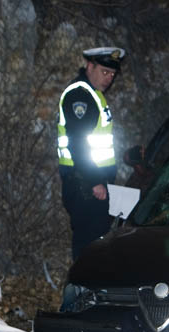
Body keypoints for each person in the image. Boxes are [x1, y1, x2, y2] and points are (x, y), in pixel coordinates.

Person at [57, 46, 126, 261]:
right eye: (104, 72)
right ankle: (81, 293)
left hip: (91, 185)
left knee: (97, 248)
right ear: (89, 66)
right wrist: (95, 180)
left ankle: (90, 293)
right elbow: (78, 142)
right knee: (88, 250)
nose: (109, 79)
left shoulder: (93, 95)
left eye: (112, 74)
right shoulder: (80, 95)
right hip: (85, 186)